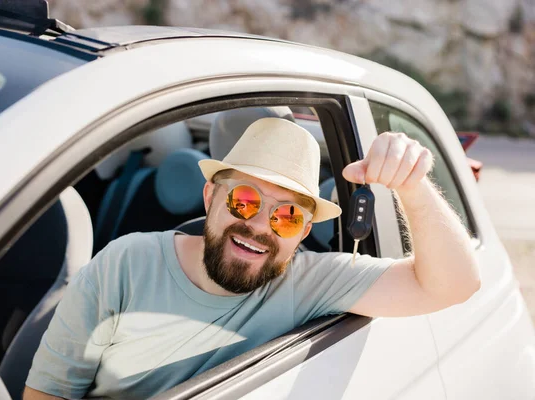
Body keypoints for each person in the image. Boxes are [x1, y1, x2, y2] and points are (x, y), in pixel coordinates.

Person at [24, 118, 480, 400]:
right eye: (244, 200)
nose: (260, 225)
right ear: (210, 197)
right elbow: (47, 393)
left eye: (285, 216)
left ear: (302, 233)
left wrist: (412, 186)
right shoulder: (124, 263)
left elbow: (454, 286)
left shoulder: (309, 281)